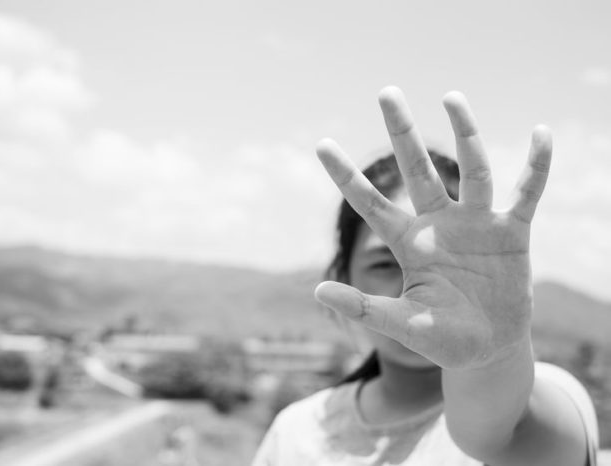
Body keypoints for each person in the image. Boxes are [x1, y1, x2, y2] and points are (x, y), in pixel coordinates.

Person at [251, 87, 599, 465]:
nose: (418, 288)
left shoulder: (541, 400)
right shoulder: (297, 432)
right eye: (384, 264)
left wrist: (492, 360)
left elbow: (501, 434)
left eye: (450, 270)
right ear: (342, 275)